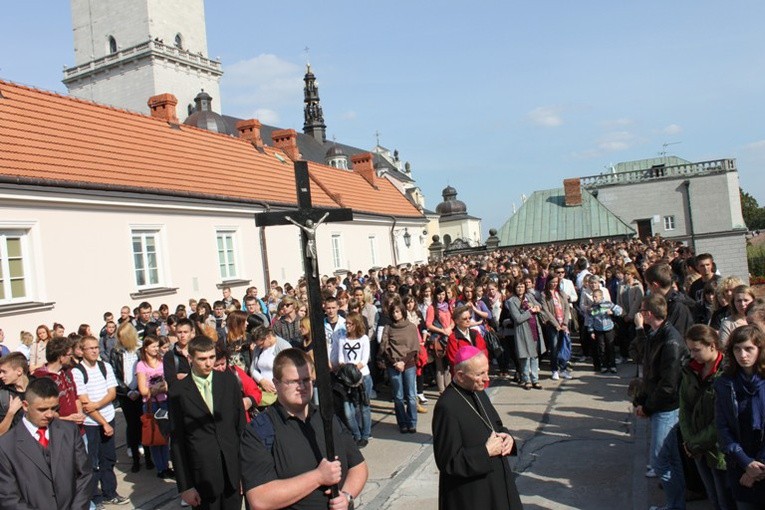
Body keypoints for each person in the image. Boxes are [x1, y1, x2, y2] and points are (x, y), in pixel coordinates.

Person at [240, 348, 368, 510]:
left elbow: (358, 466)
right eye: (293, 381)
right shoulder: (260, 431)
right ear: (276, 384)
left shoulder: (327, 419)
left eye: (306, 380)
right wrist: (318, 477)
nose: (301, 386)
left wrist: (347, 495)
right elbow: (260, 498)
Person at [432, 346, 523, 510]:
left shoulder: (477, 390)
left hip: (498, 486)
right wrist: (485, 451)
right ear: (460, 376)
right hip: (471, 495)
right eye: (480, 374)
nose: (486, 378)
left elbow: (496, 424)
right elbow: (448, 462)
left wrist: (507, 437)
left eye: (486, 372)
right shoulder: (447, 407)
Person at [168, 335, 245, 509]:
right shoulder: (178, 392)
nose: (209, 363)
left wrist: (245, 472)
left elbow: (241, 427)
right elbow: (177, 441)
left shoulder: (228, 381)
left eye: (212, 357)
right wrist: (185, 486)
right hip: (202, 476)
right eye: (202, 359)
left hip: (233, 473)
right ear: (190, 358)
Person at [0, 377, 93, 509]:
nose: (50, 414)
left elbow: (84, 475)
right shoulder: (6, 446)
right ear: (25, 406)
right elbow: (8, 498)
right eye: (42, 409)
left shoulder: (69, 431)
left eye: (54, 408)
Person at [632, 293, 688, 497]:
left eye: (641, 311)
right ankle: (675, 503)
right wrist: (641, 401)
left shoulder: (670, 340)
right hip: (659, 405)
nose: (639, 314)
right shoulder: (655, 335)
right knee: (670, 457)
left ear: (648, 313)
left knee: (660, 459)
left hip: (667, 409)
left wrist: (648, 407)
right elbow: (644, 366)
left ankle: (675, 502)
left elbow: (668, 384)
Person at [679, 325, 736, 510]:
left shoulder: (727, 374)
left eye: (696, 349)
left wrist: (695, 442)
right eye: (690, 349)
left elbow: (723, 418)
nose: (692, 354)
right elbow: (684, 406)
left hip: (718, 450)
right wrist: (689, 439)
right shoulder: (691, 370)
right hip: (697, 448)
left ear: (712, 346)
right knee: (713, 497)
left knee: (725, 501)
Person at [72, 336, 128, 506]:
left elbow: (112, 393)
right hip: (91, 424)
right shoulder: (77, 372)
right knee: (92, 463)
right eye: (90, 348)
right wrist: (102, 422)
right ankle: (95, 497)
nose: (95, 351)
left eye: (96, 347)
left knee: (108, 458)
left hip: (108, 417)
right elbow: (84, 402)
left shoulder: (105, 366)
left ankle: (110, 492)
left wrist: (98, 405)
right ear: (82, 351)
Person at [714, 325, 765, 509]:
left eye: (749, 348)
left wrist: (758, 466)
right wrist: (746, 463)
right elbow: (722, 428)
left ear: (759, 349)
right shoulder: (724, 383)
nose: (743, 355)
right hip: (740, 465)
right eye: (737, 349)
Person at [109, 322, 149, 473]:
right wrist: (127, 391)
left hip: (141, 391)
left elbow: (145, 369)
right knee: (132, 425)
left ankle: (147, 453)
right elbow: (114, 373)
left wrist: (139, 389)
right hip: (125, 394)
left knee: (144, 422)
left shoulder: (139, 350)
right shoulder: (116, 352)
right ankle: (135, 454)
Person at [332, 311, 372, 447]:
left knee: (364, 408)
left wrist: (355, 370)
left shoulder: (364, 339)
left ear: (356, 325)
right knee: (349, 411)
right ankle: (356, 434)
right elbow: (341, 358)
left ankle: (365, 435)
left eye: (350, 323)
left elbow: (364, 359)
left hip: (363, 377)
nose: (347, 326)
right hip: (347, 379)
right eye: (346, 323)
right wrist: (348, 371)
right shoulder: (342, 338)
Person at [380, 301, 421, 434]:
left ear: (403, 311)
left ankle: (412, 422)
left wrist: (403, 362)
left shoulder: (411, 327)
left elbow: (415, 348)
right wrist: (395, 362)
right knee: (398, 395)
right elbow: (384, 347)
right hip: (393, 364)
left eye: (398, 311)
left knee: (410, 395)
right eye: (393, 312)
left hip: (408, 364)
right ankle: (402, 422)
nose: (395, 314)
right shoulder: (388, 327)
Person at [136, 335, 172, 478]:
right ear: (146, 348)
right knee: (155, 437)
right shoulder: (141, 365)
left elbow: (169, 383)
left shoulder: (162, 361)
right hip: (152, 405)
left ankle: (166, 466)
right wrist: (160, 388)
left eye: (158, 346)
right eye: (153, 346)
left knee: (165, 436)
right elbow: (143, 390)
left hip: (165, 402)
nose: (156, 349)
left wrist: (158, 388)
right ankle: (160, 468)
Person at [508, 280, 545, 390]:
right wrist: (530, 311)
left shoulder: (529, 296)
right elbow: (518, 318)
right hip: (523, 330)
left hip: (534, 328)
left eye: (522, 286)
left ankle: (535, 379)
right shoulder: (511, 301)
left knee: (534, 355)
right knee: (525, 356)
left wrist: (536, 307)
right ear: (515, 288)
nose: (520, 289)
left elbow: (539, 305)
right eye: (518, 287)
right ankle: (526, 379)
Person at [587, 288, 623, 373]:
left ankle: (613, 365)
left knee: (610, 347)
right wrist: (591, 331)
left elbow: (620, 310)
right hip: (598, 329)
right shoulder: (592, 308)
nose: (594, 298)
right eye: (593, 297)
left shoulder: (608, 304)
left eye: (596, 297)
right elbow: (590, 320)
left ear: (601, 296)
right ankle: (604, 365)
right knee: (601, 347)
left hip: (609, 328)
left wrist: (613, 312)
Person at [0, 352, 31, 435]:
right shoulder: (4, 395)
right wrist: (10, 413)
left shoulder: (37, 388)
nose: (1, 375)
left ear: (19, 371)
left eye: (4, 372)